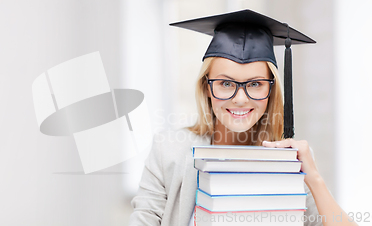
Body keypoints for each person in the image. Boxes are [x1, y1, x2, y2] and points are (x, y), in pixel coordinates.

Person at [129, 9, 357, 226]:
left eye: (255, 84)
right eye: (226, 83)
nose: (240, 99)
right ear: (206, 87)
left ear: (272, 90)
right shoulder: (168, 151)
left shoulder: (289, 159)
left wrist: (314, 178)